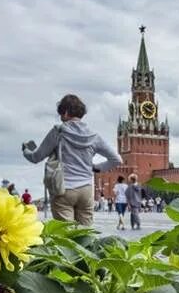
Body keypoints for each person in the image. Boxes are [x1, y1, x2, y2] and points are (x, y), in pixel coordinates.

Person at [22, 94, 122, 226]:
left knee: (66, 236)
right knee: (85, 236)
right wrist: (95, 167)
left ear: (66, 112)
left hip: (64, 189)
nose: (61, 118)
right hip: (86, 191)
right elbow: (116, 159)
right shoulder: (94, 136)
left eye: (61, 114)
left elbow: (36, 157)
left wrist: (26, 150)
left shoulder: (58, 132)